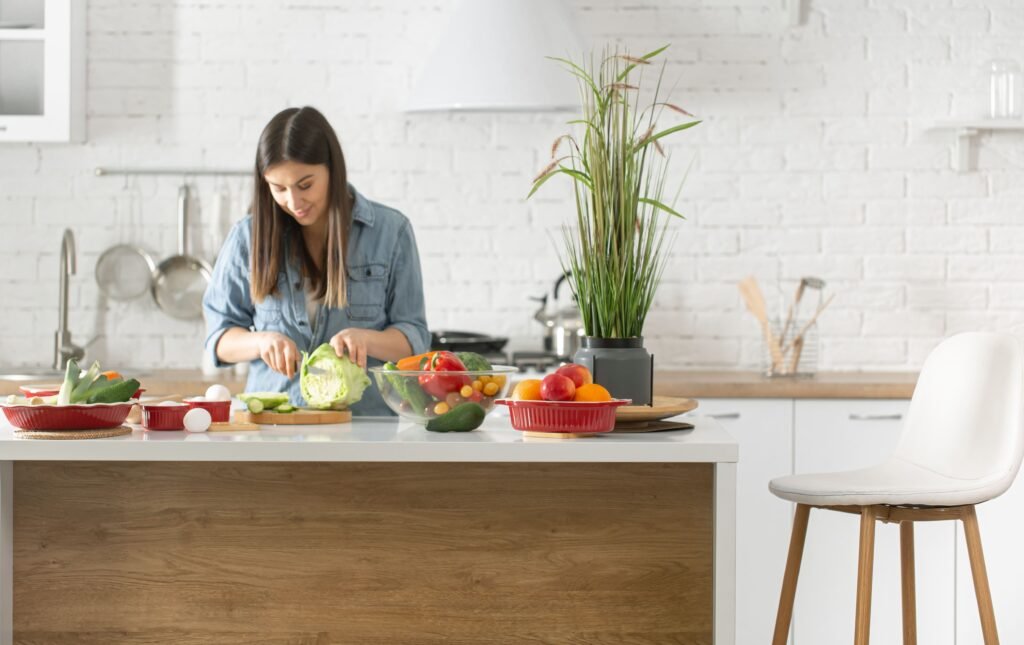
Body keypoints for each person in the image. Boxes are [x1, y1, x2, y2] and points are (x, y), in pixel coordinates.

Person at [203, 106, 430, 416]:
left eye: (305, 185)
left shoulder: (391, 232)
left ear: (332, 170)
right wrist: (261, 342)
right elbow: (219, 339)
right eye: (278, 189)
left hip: (365, 427)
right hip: (272, 426)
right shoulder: (247, 237)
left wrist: (367, 339)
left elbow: (414, 338)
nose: (293, 202)